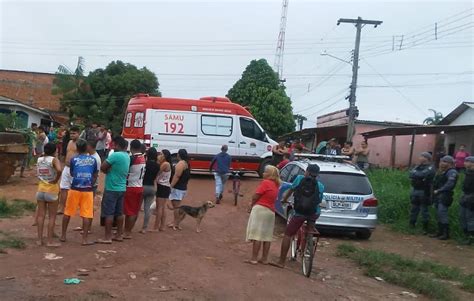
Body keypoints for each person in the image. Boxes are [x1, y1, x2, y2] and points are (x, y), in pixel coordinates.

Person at [271, 164, 324, 269]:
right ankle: (309, 241)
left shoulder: (299, 179)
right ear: (317, 175)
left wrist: (284, 200)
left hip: (300, 213)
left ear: (307, 172)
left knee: (288, 234)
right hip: (314, 213)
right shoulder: (321, 185)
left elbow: (290, 190)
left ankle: (281, 262)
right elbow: (319, 200)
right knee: (310, 229)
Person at [60, 139, 98, 245]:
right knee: (86, 214)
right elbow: (95, 174)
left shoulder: (74, 159)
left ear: (77, 148)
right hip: (87, 189)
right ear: (86, 148)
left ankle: (63, 235)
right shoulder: (92, 160)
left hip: (75, 188)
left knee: (67, 212)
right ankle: (84, 239)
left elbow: (72, 173)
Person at [245, 165, 281, 265]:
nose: (263, 173)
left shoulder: (266, 183)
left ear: (269, 174)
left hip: (260, 209)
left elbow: (256, 195)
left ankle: (254, 258)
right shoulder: (276, 184)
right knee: (267, 236)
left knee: (257, 235)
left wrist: (251, 205)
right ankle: (264, 258)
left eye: (265, 172)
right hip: (270, 212)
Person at [97, 136, 130, 244]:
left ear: (116, 144)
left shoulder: (115, 155)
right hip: (122, 187)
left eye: (113, 144)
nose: (112, 146)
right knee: (119, 213)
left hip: (111, 187)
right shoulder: (127, 156)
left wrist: (108, 170)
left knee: (109, 213)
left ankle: (107, 237)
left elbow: (103, 167)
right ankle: (119, 235)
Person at [35, 142, 62, 247]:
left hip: (40, 189)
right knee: (52, 217)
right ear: (54, 151)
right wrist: (55, 180)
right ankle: (50, 241)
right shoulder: (54, 160)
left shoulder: (39, 159)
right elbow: (59, 170)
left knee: (41, 216)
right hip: (51, 190)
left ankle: (39, 240)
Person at [430, 156, 458, 240]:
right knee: (439, 213)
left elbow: (450, 184)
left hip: (445, 195)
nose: (442, 163)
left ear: (450, 163)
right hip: (438, 195)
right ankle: (439, 232)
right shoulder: (442, 171)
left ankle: (446, 234)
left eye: (445, 162)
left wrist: (439, 190)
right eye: (442, 161)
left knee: (442, 213)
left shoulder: (452, 172)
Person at [122, 140, 146, 239]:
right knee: (134, 211)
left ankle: (127, 232)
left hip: (131, 187)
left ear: (131, 147)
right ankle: (128, 231)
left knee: (129, 212)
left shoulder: (132, 158)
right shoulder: (143, 158)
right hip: (139, 186)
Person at [408, 152, 436, 234]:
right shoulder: (418, 166)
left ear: (427, 158)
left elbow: (422, 174)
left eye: (422, 156)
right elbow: (411, 173)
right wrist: (418, 175)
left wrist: (416, 174)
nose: (420, 158)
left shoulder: (431, 167)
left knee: (424, 210)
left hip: (424, 191)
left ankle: (425, 228)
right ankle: (412, 224)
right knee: (414, 208)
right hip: (415, 189)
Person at [58, 126, 80, 214]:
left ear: (78, 133)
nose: (72, 135)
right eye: (71, 133)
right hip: (67, 168)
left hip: (76, 169)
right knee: (63, 188)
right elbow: (66, 153)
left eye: (74, 133)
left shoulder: (81, 143)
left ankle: (72, 207)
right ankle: (61, 208)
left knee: (75, 189)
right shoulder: (69, 142)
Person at [168, 149, 191, 231]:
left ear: (179, 155)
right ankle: (175, 222)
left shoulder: (180, 164)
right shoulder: (186, 163)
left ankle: (176, 223)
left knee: (176, 207)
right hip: (182, 187)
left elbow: (176, 176)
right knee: (176, 206)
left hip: (178, 188)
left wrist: (171, 186)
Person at [140, 147, 160, 233]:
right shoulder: (157, 166)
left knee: (136, 207)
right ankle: (144, 228)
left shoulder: (145, 163)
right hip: (152, 187)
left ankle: (129, 226)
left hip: (142, 186)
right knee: (147, 209)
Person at [154, 149, 173, 231]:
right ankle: (162, 226)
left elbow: (157, 173)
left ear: (165, 156)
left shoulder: (165, 164)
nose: (159, 155)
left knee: (160, 207)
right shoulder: (167, 164)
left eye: (161, 154)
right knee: (162, 207)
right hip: (165, 186)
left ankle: (156, 227)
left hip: (162, 186)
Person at [459, 156, 474, 245]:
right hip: (465, 197)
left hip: (472, 198)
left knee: (470, 218)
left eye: (467, 161)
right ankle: (466, 235)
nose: (465, 163)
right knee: (462, 216)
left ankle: (471, 238)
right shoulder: (468, 172)